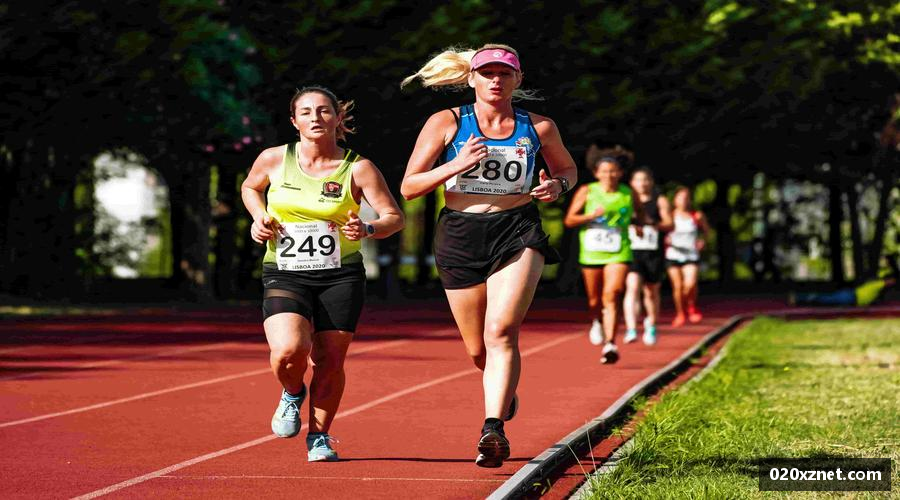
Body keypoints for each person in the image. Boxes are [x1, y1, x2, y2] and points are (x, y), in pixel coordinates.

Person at [400, 44, 577, 468]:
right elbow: (409, 187)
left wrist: (557, 187)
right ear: (471, 78)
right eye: (487, 73)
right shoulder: (447, 122)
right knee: (478, 349)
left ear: (518, 80)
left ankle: (492, 427)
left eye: (504, 74)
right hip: (460, 234)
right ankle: (503, 387)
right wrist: (455, 164)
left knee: (501, 331)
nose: (495, 81)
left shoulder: (540, 127)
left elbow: (568, 171)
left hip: (517, 231)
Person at [240, 86, 404, 462]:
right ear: (294, 121)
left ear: (337, 119)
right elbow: (250, 187)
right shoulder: (274, 159)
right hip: (285, 270)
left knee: (330, 360)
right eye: (307, 112)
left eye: (325, 111)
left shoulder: (358, 167)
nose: (316, 118)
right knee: (288, 351)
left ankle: (319, 436)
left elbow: (394, 217)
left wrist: (367, 229)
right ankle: (292, 392)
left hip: (340, 275)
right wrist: (258, 218)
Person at [564, 149, 644, 364]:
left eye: (613, 171)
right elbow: (569, 220)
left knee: (613, 293)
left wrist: (638, 225)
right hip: (592, 251)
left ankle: (610, 343)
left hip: (619, 249)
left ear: (620, 173)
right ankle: (596, 320)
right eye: (605, 171)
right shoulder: (587, 191)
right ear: (597, 173)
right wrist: (591, 215)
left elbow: (640, 213)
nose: (609, 175)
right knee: (594, 299)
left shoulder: (628, 192)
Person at [623, 167, 672, 345]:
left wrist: (652, 223)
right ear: (632, 183)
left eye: (645, 180)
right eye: (638, 180)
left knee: (651, 292)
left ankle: (651, 323)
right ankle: (631, 328)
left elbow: (669, 224)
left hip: (653, 252)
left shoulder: (660, 201)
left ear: (651, 182)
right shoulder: (626, 200)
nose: (642, 184)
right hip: (632, 251)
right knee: (633, 287)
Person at [665, 186, 709, 327]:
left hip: (691, 254)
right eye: (681, 198)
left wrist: (703, 241)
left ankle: (691, 306)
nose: (684, 201)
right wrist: (665, 240)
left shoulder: (696, 216)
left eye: (686, 198)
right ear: (675, 200)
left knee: (689, 284)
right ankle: (680, 313)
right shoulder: (670, 216)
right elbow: (661, 230)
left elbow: (706, 232)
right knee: (677, 286)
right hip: (673, 254)